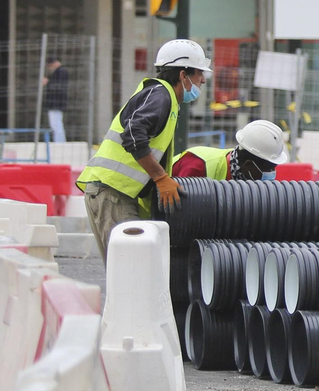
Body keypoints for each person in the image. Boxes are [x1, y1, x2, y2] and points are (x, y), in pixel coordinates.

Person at [75, 38, 211, 255]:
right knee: (129, 267)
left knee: (133, 268)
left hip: (116, 193)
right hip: (112, 192)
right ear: (183, 75)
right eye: (199, 73)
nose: (203, 80)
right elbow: (132, 134)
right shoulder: (160, 96)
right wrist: (160, 177)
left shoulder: (164, 98)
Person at [173, 119, 290, 181]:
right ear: (249, 165)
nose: (271, 174)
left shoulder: (245, 176)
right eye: (268, 169)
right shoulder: (198, 166)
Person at [41, 55, 68, 143]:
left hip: (56, 102)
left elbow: (58, 87)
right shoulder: (59, 71)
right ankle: (59, 140)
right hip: (55, 102)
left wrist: (47, 83)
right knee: (55, 124)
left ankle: (60, 141)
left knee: (56, 124)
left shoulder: (61, 72)